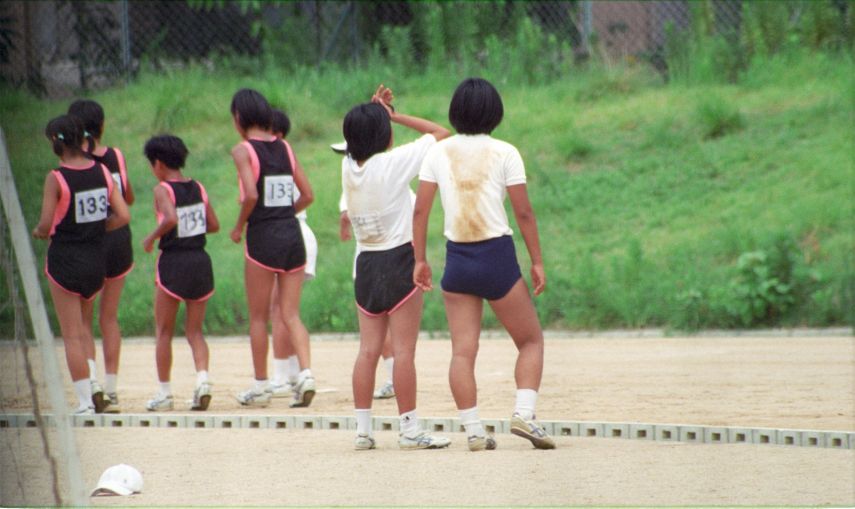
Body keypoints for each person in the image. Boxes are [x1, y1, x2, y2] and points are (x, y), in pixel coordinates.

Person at [413, 78, 556, 451]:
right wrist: (537, 260)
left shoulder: (438, 152)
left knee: (463, 351)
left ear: (455, 112)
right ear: (496, 112)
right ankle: (524, 415)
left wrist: (419, 260)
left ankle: (474, 430)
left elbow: (420, 210)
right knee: (530, 340)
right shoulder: (505, 152)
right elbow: (523, 213)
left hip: (457, 260)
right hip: (497, 258)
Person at [342, 84, 451, 450]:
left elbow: (361, 140)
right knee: (403, 351)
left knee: (368, 350)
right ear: (384, 134)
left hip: (366, 265)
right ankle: (409, 430)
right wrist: (395, 115)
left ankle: (362, 432)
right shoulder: (391, 163)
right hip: (398, 259)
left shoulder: (348, 167)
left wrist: (376, 117)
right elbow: (440, 134)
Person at [32, 114, 129, 415]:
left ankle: (86, 401)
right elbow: (123, 215)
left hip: (65, 260)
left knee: (72, 333)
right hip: (96, 259)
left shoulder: (56, 178)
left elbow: (47, 224)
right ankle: (96, 386)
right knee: (85, 326)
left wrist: (38, 231)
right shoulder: (102, 171)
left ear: (55, 143)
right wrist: (98, 229)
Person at [229, 89, 315, 407]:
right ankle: (306, 374)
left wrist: (240, 226)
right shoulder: (285, 147)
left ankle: (261, 385)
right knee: (290, 313)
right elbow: (307, 194)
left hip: (262, 237)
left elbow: (250, 195)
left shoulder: (242, 150)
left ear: (239, 117)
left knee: (258, 317)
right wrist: (283, 214)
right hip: (292, 235)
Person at [141, 135, 219, 412]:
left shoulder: (162, 189)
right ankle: (203, 381)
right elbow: (213, 224)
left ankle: (164, 393)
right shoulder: (198, 187)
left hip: (174, 262)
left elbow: (171, 218)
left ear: (158, 164)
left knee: (163, 331)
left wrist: (151, 237)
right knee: (195, 331)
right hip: (200, 261)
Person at [67, 99, 134, 413]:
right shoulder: (115, 156)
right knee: (110, 317)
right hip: (119, 238)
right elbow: (128, 197)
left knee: (84, 319)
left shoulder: (75, 165)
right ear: (102, 125)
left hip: (90, 242)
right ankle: (112, 386)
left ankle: (92, 385)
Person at [335, 141, 396, 401]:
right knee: (387, 333)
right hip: (390, 258)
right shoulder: (386, 171)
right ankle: (395, 380)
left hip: (371, 262)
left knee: (374, 336)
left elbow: (346, 215)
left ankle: (393, 380)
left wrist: (345, 226)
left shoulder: (354, 175)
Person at [267, 109, 318, 407]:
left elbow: (306, 195)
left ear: (280, 135)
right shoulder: (283, 158)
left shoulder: (278, 158)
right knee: (285, 310)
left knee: (282, 310)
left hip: (290, 232)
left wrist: (280, 216)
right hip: (294, 231)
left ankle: (281, 376)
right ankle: (297, 373)